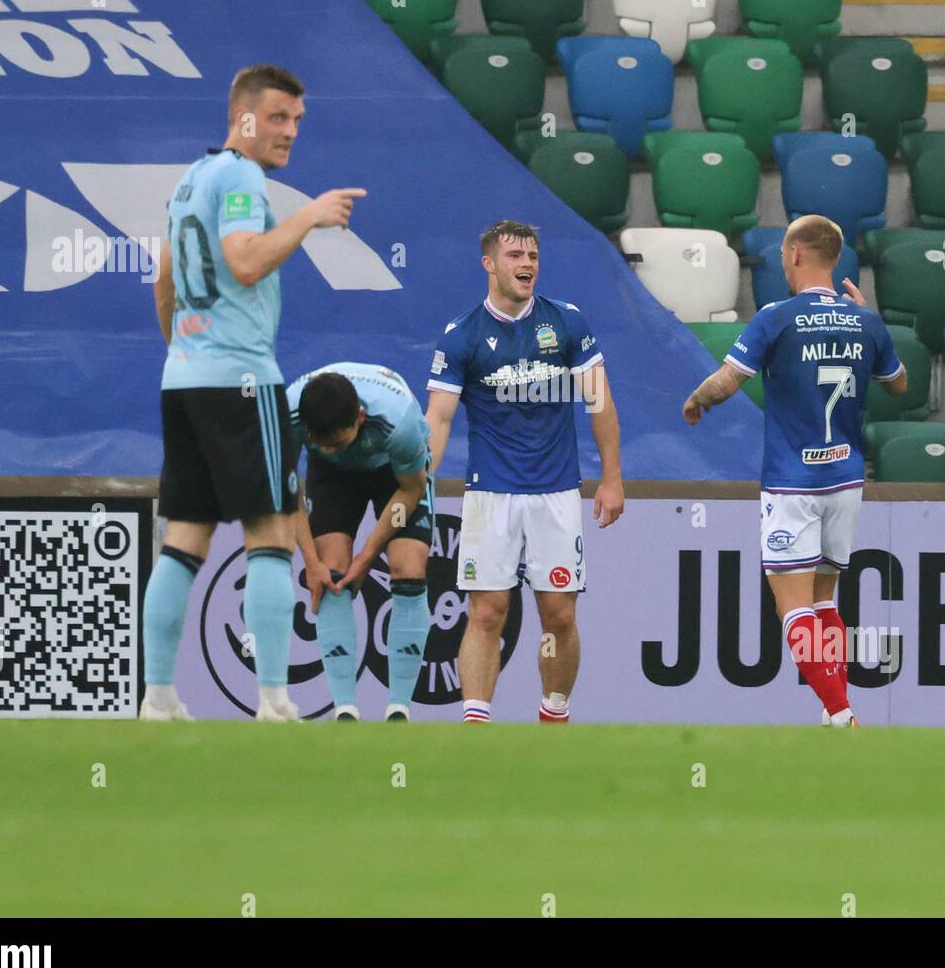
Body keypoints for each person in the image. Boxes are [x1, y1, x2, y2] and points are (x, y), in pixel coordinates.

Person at [140, 63, 366, 723]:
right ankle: (273, 699)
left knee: (184, 540)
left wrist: (183, 351)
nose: (289, 131)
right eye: (277, 117)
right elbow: (243, 259)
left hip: (184, 378)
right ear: (242, 118)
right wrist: (310, 216)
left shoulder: (190, 179)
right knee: (269, 535)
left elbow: (163, 281)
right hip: (240, 379)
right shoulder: (240, 176)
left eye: (296, 119)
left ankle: (157, 699)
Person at [682, 215, 907, 728]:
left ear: (797, 255)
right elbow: (899, 385)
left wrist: (697, 400)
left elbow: (728, 381)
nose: (783, 263)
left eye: (784, 255)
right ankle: (836, 714)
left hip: (793, 481)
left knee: (792, 607)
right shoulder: (864, 321)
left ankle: (841, 711)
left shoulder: (776, 317)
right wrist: (869, 322)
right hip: (846, 478)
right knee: (825, 599)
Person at [425, 220, 624, 723]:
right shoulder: (461, 335)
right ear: (489, 264)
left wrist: (612, 477)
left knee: (558, 615)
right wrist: (419, 480)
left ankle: (554, 712)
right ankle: (475, 720)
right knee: (487, 612)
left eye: (533, 256)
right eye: (515, 256)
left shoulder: (566, 322)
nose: (527, 265)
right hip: (490, 493)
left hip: (556, 492)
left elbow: (599, 401)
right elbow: (439, 418)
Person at [286, 364, 433, 722]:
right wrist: (311, 562)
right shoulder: (287, 414)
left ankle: (399, 709)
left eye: (338, 442)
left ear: (360, 418)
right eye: (321, 442)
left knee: (409, 569)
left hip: (394, 476)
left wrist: (367, 557)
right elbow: (283, 488)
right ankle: (345, 710)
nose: (331, 449)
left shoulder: (400, 423)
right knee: (331, 573)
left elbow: (411, 490)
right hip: (332, 479)